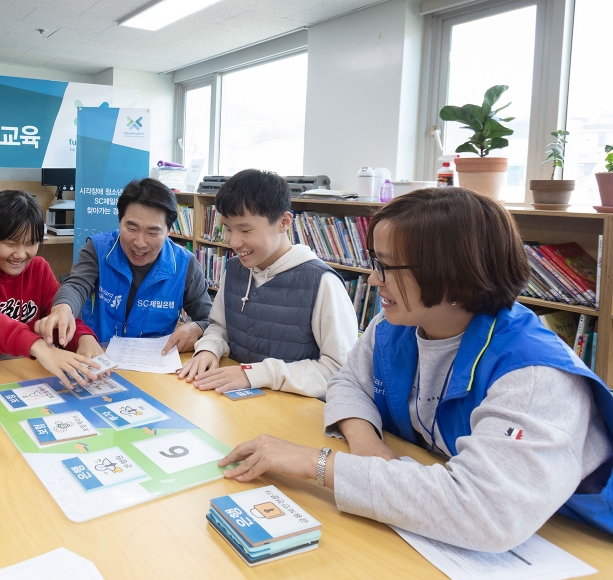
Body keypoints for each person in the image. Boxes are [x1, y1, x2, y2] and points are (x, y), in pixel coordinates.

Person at [217, 187, 613, 551]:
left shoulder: (534, 375)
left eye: (386, 267)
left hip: (571, 536)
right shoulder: (393, 326)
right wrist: (366, 443)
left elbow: (488, 513)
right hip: (449, 500)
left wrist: (315, 463)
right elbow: (348, 382)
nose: (373, 280)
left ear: (453, 273)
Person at [177, 169, 358, 397]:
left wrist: (256, 374)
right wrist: (209, 349)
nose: (233, 241)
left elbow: (339, 372)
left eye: (245, 229)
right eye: (228, 228)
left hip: (295, 412)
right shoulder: (235, 269)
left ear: (283, 222)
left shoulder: (323, 282)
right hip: (240, 401)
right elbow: (220, 327)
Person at [0, 189, 101, 388]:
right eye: (11, 244)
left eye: (31, 244)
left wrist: (83, 337)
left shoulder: (39, 269)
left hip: (22, 369)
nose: (20, 254)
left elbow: (60, 315)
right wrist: (38, 346)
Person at [37, 178, 212, 355]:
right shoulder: (99, 249)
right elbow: (76, 285)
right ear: (120, 222)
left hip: (156, 365)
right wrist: (63, 308)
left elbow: (209, 320)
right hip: (100, 354)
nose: (139, 243)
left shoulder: (184, 264)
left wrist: (197, 328)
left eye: (152, 232)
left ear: (169, 231)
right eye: (131, 228)